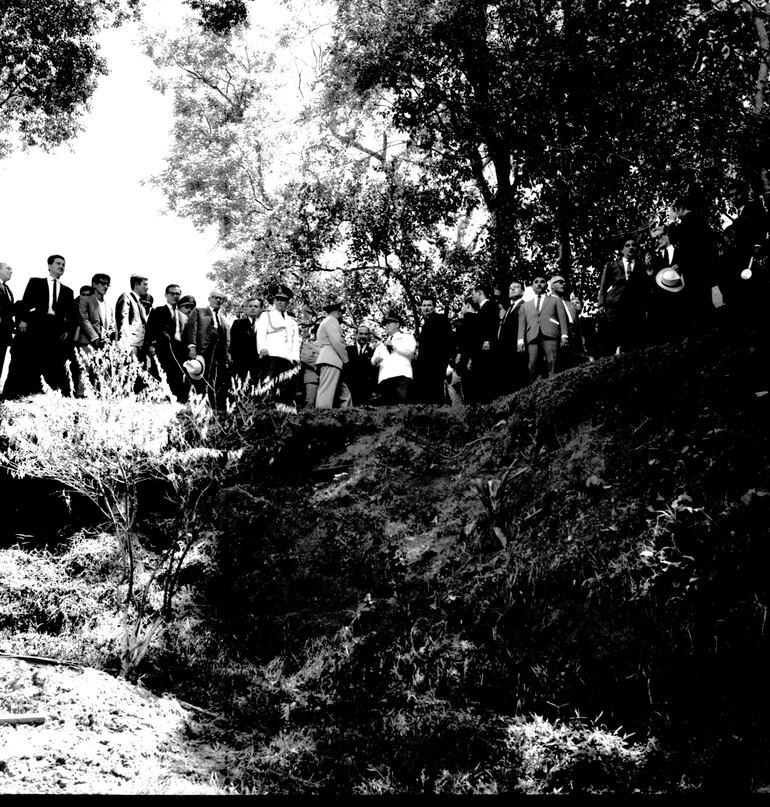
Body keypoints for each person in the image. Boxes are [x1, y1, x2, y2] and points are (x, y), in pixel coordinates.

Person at [8, 254, 76, 396]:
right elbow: (26, 302)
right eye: (58, 263)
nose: (61, 266)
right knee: (33, 358)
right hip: (37, 325)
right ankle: (27, 391)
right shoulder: (36, 282)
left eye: (63, 264)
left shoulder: (68, 291)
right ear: (49, 266)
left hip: (55, 328)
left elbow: (70, 315)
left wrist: (67, 331)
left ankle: (50, 392)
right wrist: (23, 320)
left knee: (52, 361)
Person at [668, 192, 724, 336]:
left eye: (675, 210)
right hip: (704, 266)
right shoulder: (699, 219)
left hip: (695, 269)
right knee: (703, 298)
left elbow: (675, 238)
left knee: (700, 300)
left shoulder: (689, 220)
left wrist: (672, 221)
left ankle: (708, 331)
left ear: (679, 208)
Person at [597, 236, 646, 354]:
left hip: (634, 303)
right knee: (615, 328)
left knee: (633, 329)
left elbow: (645, 287)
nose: (631, 248)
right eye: (627, 245)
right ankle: (616, 350)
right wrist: (601, 304)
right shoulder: (612, 265)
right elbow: (603, 286)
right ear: (622, 249)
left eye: (634, 245)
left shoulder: (641, 265)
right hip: (615, 302)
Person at [184, 290, 231, 410]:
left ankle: (210, 407)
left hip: (218, 354)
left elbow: (226, 339)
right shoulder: (199, 311)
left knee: (213, 380)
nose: (218, 300)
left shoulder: (223, 319)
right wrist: (192, 347)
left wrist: (225, 356)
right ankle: (194, 406)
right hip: (202, 352)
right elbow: (191, 329)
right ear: (209, 299)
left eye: (220, 299)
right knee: (198, 378)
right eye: (215, 297)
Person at [254, 284, 300, 405]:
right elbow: (261, 334)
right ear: (274, 301)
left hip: (287, 358)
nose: (280, 302)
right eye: (277, 299)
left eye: (283, 300)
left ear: (288, 302)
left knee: (285, 389)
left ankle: (283, 414)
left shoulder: (292, 321)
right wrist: (262, 349)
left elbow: (295, 341)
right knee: (267, 388)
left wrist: (296, 358)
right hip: (271, 357)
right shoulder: (266, 315)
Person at [517, 275, 569, 380]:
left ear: (546, 285)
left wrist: (564, 336)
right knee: (533, 364)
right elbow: (521, 325)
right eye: (536, 282)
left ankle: (553, 385)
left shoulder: (555, 300)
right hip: (532, 336)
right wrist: (520, 342)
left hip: (550, 333)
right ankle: (536, 387)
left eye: (542, 281)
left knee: (552, 362)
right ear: (532, 287)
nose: (539, 284)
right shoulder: (525, 306)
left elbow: (562, 319)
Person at [145, 283, 189, 402]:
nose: (175, 296)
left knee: (178, 378)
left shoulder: (183, 317)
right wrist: (151, 346)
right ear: (166, 294)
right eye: (172, 293)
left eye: (178, 294)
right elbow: (150, 330)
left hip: (180, 353)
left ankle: (178, 403)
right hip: (163, 351)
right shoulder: (158, 311)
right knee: (161, 377)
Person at [414, 295, 453, 404]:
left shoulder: (441, 319)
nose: (426, 308)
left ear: (434, 307)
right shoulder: (425, 324)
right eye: (424, 305)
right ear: (421, 307)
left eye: (429, 305)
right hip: (425, 366)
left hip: (438, 363)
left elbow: (448, 340)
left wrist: (445, 361)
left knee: (437, 394)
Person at [371, 311, 416, 404]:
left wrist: (393, 346)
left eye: (389, 323)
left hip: (401, 377)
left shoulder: (407, 337)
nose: (386, 326)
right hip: (384, 378)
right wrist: (375, 361)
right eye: (385, 324)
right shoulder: (381, 344)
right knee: (386, 410)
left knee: (401, 408)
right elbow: (374, 358)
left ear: (397, 324)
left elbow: (409, 352)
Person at [315, 300, 352, 409]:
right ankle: (321, 418)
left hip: (332, 361)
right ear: (336, 311)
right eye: (341, 312)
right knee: (326, 392)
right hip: (331, 360)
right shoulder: (332, 320)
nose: (342, 315)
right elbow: (337, 342)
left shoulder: (326, 321)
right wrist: (346, 360)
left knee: (345, 393)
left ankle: (349, 416)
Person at [467, 283, 499, 404]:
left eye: (473, 293)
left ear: (480, 292)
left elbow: (492, 324)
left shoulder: (490, 305)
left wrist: (487, 340)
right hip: (479, 350)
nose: (472, 296)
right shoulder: (480, 309)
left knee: (486, 377)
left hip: (487, 347)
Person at [496, 279, 527, 394]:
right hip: (506, 351)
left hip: (517, 349)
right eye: (510, 288)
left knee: (517, 383)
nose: (512, 289)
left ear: (523, 292)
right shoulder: (509, 308)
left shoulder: (524, 306)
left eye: (516, 287)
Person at [115, 275, 149, 360]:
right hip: (130, 345)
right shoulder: (126, 297)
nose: (147, 287)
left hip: (140, 346)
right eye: (145, 284)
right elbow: (123, 320)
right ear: (136, 284)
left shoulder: (140, 303)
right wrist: (125, 344)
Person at [229, 297, 263, 383]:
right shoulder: (238, 323)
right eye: (250, 306)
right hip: (241, 367)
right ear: (246, 309)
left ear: (261, 309)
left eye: (256, 306)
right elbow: (232, 346)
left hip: (260, 367)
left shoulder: (265, 325)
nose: (252, 308)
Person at [345, 323, 377, 405]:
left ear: (368, 336)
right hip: (349, 391)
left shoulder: (373, 352)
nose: (363, 336)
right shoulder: (347, 350)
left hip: (367, 392)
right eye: (361, 333)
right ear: (356, 335)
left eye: (366, 334)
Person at [299, 319, 321, 408]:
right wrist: (322, 366)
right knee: (310, 402)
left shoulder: (328, 346)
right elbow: (306, 358)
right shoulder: (308, 345)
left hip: (326, 379)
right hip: (312, 378)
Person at [0, 263, 15, 389]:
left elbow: (9, 311)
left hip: (4, 333)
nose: (11, 271)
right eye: (8, 268)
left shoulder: (7, 289)